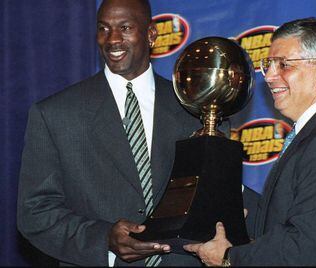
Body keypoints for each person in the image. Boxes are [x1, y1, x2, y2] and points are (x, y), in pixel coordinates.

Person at [184, 17, 316, 266]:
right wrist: (223, 186)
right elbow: (283, 218)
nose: (269, 76)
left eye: (283, 65)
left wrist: (228, 258)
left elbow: (302, 248)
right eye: (268, 65)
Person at [17, 0, 201, 266]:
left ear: (151, 34)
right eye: (103, 29)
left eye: (125, 27)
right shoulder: (55, 114)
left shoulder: (193, 108)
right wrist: (104, 239)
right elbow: (34, 212)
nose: (112, 39)